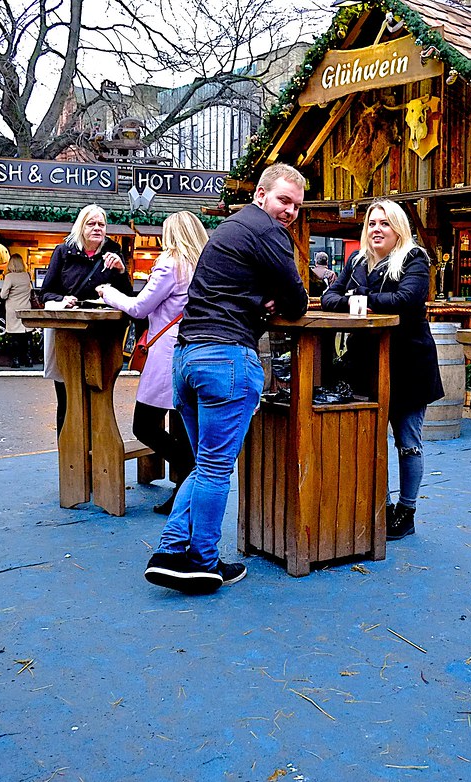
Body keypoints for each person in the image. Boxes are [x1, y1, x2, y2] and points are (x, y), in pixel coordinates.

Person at [144, 163, 308, 595]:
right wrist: (275, 301)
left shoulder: (229, 229)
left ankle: (171, 551)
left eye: (296, 205)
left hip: (185, 358)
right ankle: (201, 562)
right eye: (283, 200)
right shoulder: (267, 230)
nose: (289, 211)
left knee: (204, 467)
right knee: (215, 469)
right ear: (261, 195)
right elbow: (297, 298)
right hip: (225, 359)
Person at [321, 199, 444, 541]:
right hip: (365, 365)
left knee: (408, 442)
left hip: (408, 365)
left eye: (385, 223)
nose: (376, 229)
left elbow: (407, 299)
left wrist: (359, 297)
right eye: (372, 223)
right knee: (371, 442)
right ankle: (381, 507)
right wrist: (359, 298)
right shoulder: (356, 260)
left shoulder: (415, 258)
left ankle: (406, 511)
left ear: (398, 229)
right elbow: (329, 297)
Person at [97, 211, 206, 515]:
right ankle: (185, 490)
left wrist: (109, 293)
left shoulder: (170, 263)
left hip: (167, 353)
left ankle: (189, 473)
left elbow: (138, 306)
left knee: (144, 425)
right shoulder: (204, 265)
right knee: (183, 425)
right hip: (194, 348)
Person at [40, 204, 132, 436]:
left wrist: (121, 271)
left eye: (101, 224)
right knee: (68, 396)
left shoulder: (113, 251)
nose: (97, 228)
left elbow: (128, 298)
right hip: (69, 334)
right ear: (81, 227)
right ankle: (68, 450)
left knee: (98, 394)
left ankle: (98, 447)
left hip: (102, 335)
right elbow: (45, 293)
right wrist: (63, 300)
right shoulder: (64, 251)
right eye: (91, 223)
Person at [0, 253, 34, 368]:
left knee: (15, 336)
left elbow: (3, 295)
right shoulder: (27, 275)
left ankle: (16, 361)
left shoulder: (9, 277)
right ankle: (28, 360)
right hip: (26, 308)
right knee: (27, 334)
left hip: (13, 310)